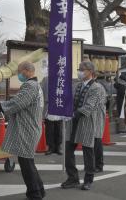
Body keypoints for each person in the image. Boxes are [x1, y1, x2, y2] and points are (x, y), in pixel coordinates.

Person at [1, 61, 45, 199]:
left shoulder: (30, 86)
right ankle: (39, 190)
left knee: (26, 163)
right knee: (28, 161)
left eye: (19, 71)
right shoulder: (36, 85)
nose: (18, 74)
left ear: (26, 71)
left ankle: (35, 194)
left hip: (27, 129)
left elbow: (17, 103)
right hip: (31, 127)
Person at [61, 61, 105, 191]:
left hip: (87, 123)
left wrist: (72, 114)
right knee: (68, 150)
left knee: (88, 151)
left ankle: (88, 180)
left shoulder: (97, 88)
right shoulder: (77, 85)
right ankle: (73, 178)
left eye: (82, 69)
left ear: (90, 72)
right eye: (79, 69)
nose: (79, 71)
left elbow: (89, 107)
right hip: (73, 123)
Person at [40, 76, 63, 155]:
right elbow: (41, 91)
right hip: (48, 106)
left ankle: (58, 146)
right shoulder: (45, 79)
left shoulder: (61, 77)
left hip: (59, 105)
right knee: (49, 128)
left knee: (59, 127)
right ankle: (50, 147)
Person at [94, 76, 107, 173]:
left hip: (97, 116)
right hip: (91, 117)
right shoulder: (87, 86)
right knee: (93, 142)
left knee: (97, 141)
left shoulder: (98, 87)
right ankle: (95, 164)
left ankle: (99, 165)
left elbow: (98, 103)